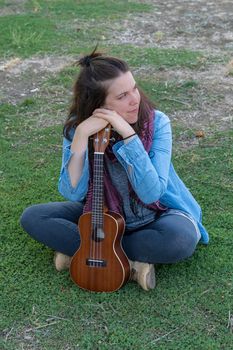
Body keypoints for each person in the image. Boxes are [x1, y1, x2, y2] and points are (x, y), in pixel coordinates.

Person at [20, 48, 209, 291]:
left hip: (156, 214)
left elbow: (152, 193)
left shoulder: (158, 123)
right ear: (98, 104)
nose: (135, 99)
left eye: (134, 88)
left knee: (181, 240)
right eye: (122, 96)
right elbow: (72, 193)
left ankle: (88, 252)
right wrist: (80, 136)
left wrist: (129, 136)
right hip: (101, 214)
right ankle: (130, 261)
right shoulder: (79, 129)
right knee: (34, 217)